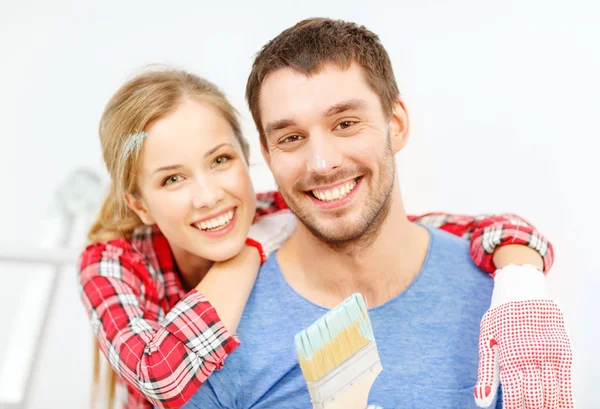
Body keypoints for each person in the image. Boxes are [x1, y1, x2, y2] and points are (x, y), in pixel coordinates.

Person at [78, 70, 556, 409]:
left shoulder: (270, 210)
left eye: (220, 160)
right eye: (172, 180)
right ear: (139, 204)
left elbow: (434, 226)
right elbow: (161, 373)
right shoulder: (110, 264)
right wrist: (246, 255)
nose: (209, 196)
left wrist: (520, 279)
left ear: (250, 157)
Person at [183, 18, 573, 409]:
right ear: (268, 155)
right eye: (291, 138)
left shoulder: (505, 305)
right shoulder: (221, 340)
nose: (321, 163)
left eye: (346, 123)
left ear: (396, 124)